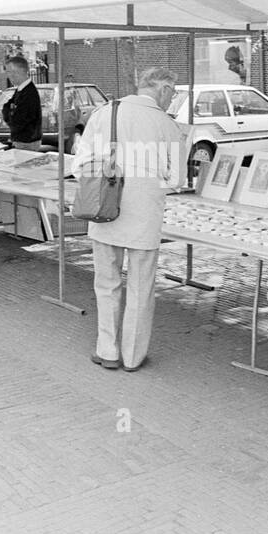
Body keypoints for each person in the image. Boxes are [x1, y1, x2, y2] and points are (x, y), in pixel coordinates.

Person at [72, 67, 186, 372]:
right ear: (162, 89)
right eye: (172, 93)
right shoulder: (167, 125)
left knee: (106, 283)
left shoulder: (105, 112)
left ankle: (107, 349)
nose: (171, 99)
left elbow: (81, 163)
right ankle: (133, 355)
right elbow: (177, 179)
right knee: (141, 287)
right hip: (145, 217)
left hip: (105, 210)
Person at [2, 55, 42, 151]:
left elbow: (18, 121)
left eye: (8, 71)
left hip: (27, 143)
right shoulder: (21, 89)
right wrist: (10, 114)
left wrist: (9, 116)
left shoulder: (29, 93)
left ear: (17, 72)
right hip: (24, 141)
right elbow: (6, 107)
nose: (8, 75)